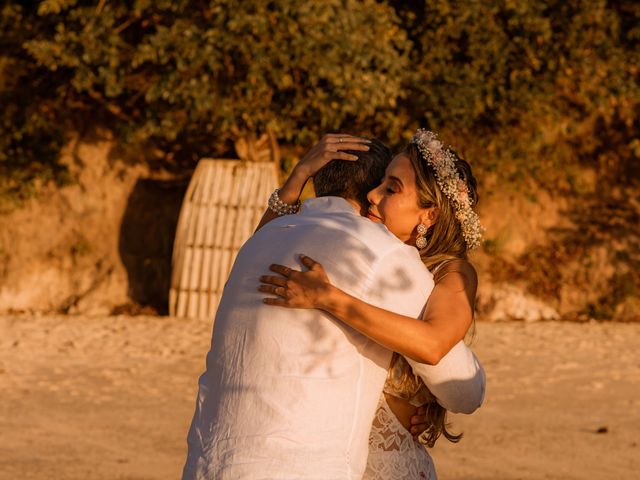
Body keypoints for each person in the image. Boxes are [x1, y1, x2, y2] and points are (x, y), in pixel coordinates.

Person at [182, 134, 483, 479]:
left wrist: (330, 298)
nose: (374, 195)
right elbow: (462, 388)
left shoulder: (440, 270)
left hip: (214, 461)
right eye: (380, 183)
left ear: (428, 214)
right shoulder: (382, 255)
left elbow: (445, 362)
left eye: (391, 188)